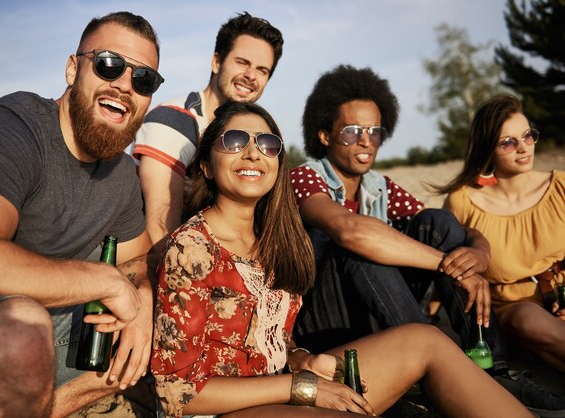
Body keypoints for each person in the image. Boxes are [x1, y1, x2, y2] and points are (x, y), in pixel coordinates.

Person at [149, 100, 530, 418]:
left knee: (425, 340)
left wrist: (300, 359)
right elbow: (176, 390)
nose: (253, 152)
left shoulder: (273, 239)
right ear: (205, 166)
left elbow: (272, 334)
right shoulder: (193, 248)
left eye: (267, 144)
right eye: (234, 141)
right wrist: (303, 387)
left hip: (282, 383)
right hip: (226, 408)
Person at [289, 65, 565, 416]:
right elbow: (350, 231)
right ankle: (440, 360)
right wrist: (448, 266)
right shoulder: (304, 177)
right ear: (325, 136)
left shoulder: (381, 186)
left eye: (375, 132)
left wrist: (478, 254)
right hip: (322, 317)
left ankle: (493, 367)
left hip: (372, 306)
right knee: (361, 247)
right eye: (352, 131)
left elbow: (456, 231)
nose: (365, 141)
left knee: (439, 222)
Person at [0, 11, 163, 417]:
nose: (125, 85)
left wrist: (142, 299)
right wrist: (107, 282)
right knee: (19, 334)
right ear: (72, 68)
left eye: (144, 79)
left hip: (51, 332)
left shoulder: (121, 173)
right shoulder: (7, 129)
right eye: (109, 64)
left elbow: (136, 260)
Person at [132, 11, 283, 253]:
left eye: (262, 70)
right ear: (216, 62)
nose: (251, 76)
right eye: (242, 62)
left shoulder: (258, 133)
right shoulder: (174, 120)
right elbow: (161, 225)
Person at [439, 94, 565, 373]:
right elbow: (447, 269)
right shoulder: (463, 201)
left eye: (528, 136)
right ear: (488, 150)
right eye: (508, 143)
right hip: (513, 314)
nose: (523, 148)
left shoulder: (560, 186)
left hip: (562, 300)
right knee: (527, 318)